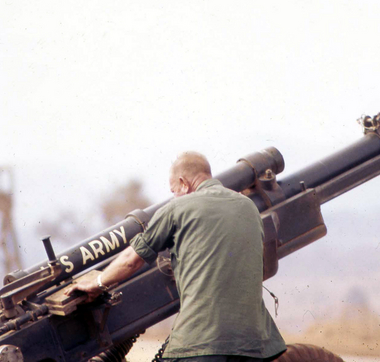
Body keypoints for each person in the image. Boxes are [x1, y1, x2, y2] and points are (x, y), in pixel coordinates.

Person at [64, 152, 286, 362]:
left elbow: (132, 260)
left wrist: (97, 282)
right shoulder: (248, 207)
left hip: (201, 342)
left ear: (183, 182)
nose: (174, 196)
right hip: (254, 344)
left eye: (174, 190)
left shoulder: (178, 208)